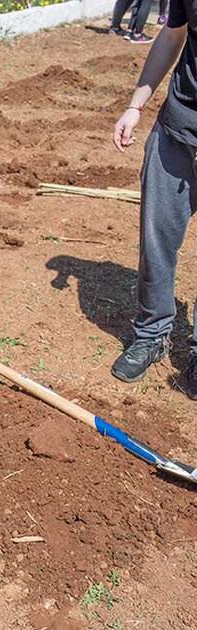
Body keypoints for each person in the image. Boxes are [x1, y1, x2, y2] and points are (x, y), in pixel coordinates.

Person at [111, 0, 196, 400]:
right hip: (176, 130)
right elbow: (173, 34)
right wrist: (135, 106)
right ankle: (151, 333)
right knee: (156, 241)